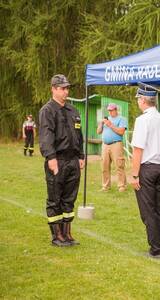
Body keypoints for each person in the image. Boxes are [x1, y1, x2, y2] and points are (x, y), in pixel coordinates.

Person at [39, 74, 84, 247]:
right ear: (53, 89)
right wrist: (51, 158)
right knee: (55, 198)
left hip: (73, 160)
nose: (66, 91)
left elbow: (79, 135)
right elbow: (46, 136)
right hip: (57, 159)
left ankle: (67, 234)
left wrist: (81, 155)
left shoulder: (73, 111)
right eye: (62, 88)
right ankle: (57, 236)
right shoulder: (47, 110)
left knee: (69, 198)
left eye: (67, 88)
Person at [131, 83, 160, 259]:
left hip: (147, 168)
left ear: (143, 100)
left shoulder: (142, 120)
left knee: (148, 210)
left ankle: (156, 249)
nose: (138, 101)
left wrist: (134, 175)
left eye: (139, 99)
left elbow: (138, 149)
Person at [97, 103, 128, 192]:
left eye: (111, 110)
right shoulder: (106, 120)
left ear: (116, 110)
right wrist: (101, 124)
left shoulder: (121, 119)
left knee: (119, 165)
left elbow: (121, 132)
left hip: (116, 144)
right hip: (105, 145)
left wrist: (110, 125)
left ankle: (122, 185)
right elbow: (98, 132)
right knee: (104, 166)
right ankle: (105, 186)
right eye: (109, 110)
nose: (110, 112)